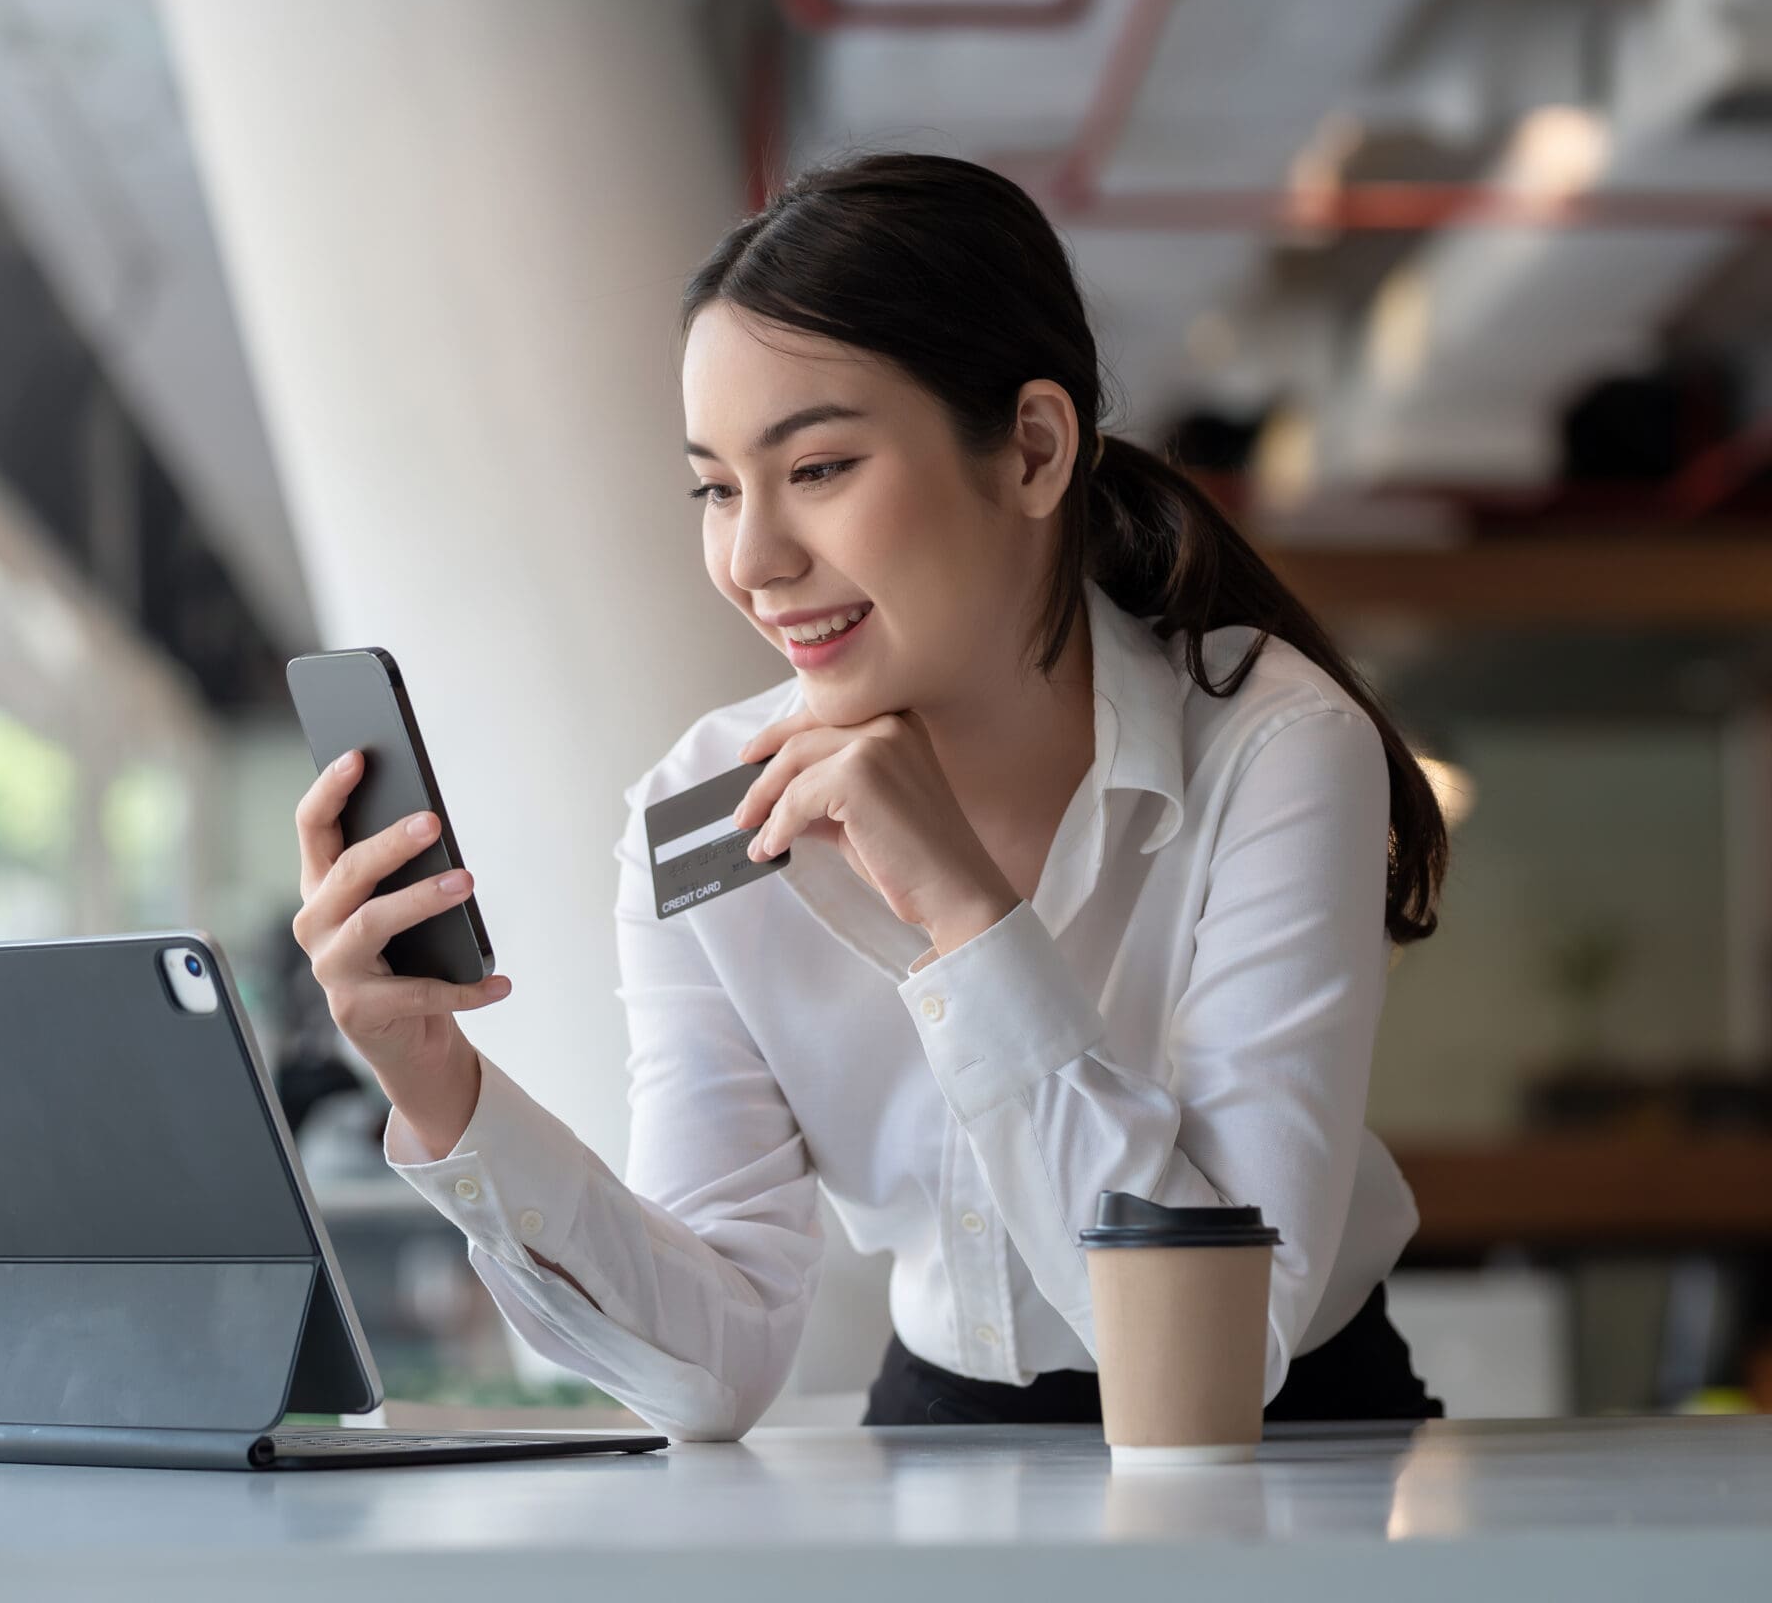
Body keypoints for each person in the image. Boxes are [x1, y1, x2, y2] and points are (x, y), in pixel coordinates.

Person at [288, 153, 1448, 1440]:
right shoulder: (701, 812)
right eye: (717, 487)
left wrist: (964, 914)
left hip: (1289, 1437)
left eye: (820, 467)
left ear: (1033, 449)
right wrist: (441, 1087)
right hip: (941, 1427)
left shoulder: (1274, 748)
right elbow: (711, 1367)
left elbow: (1227, 1346)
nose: (751, 558)